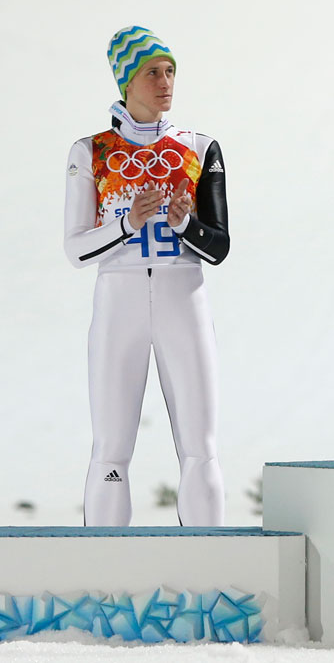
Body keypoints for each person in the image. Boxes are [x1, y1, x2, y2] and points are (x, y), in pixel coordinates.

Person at [63, 26, 231, 526]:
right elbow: (75, 249)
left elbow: (219, 246)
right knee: (110, 448)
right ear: (126, 82)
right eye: (152, 72)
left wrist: (183, 225)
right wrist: (126, 224)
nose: (166, 82)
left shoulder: (199, 147)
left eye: (170, 71)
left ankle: (211, 564)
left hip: (185, 295)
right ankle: (103, 567)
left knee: (200, 446)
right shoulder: (91, 152)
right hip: (120, 300)